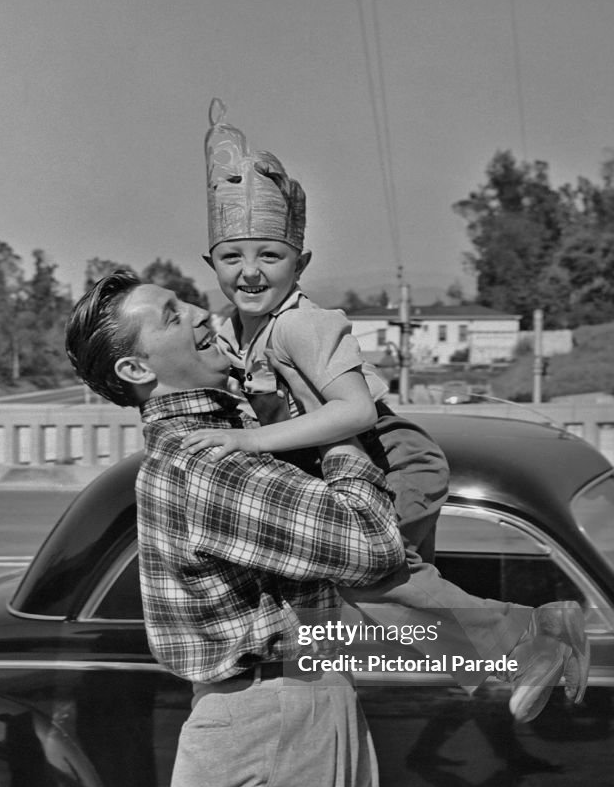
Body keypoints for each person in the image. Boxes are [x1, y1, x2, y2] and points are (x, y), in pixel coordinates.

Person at [182, 99, 589, 720]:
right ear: (210, 263)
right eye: (233, 257)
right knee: (377, 599)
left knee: (373, 578)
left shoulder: (300, 325)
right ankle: (505, 661)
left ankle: (539, 634)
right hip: (367, 471)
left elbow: (354, 414)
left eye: (270, 256)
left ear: (301, 264)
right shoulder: (238, 331)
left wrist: (248, 443)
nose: (251, 272)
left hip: (392, 459)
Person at [66, 274, 415, 787]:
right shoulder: (203, 459)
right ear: (135, 369)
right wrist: (345, 433)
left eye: (188, 301)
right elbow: (370, 543)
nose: (202, 313)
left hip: (306, 698)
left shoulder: (240, 436)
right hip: (267, 721)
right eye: (172, 316)